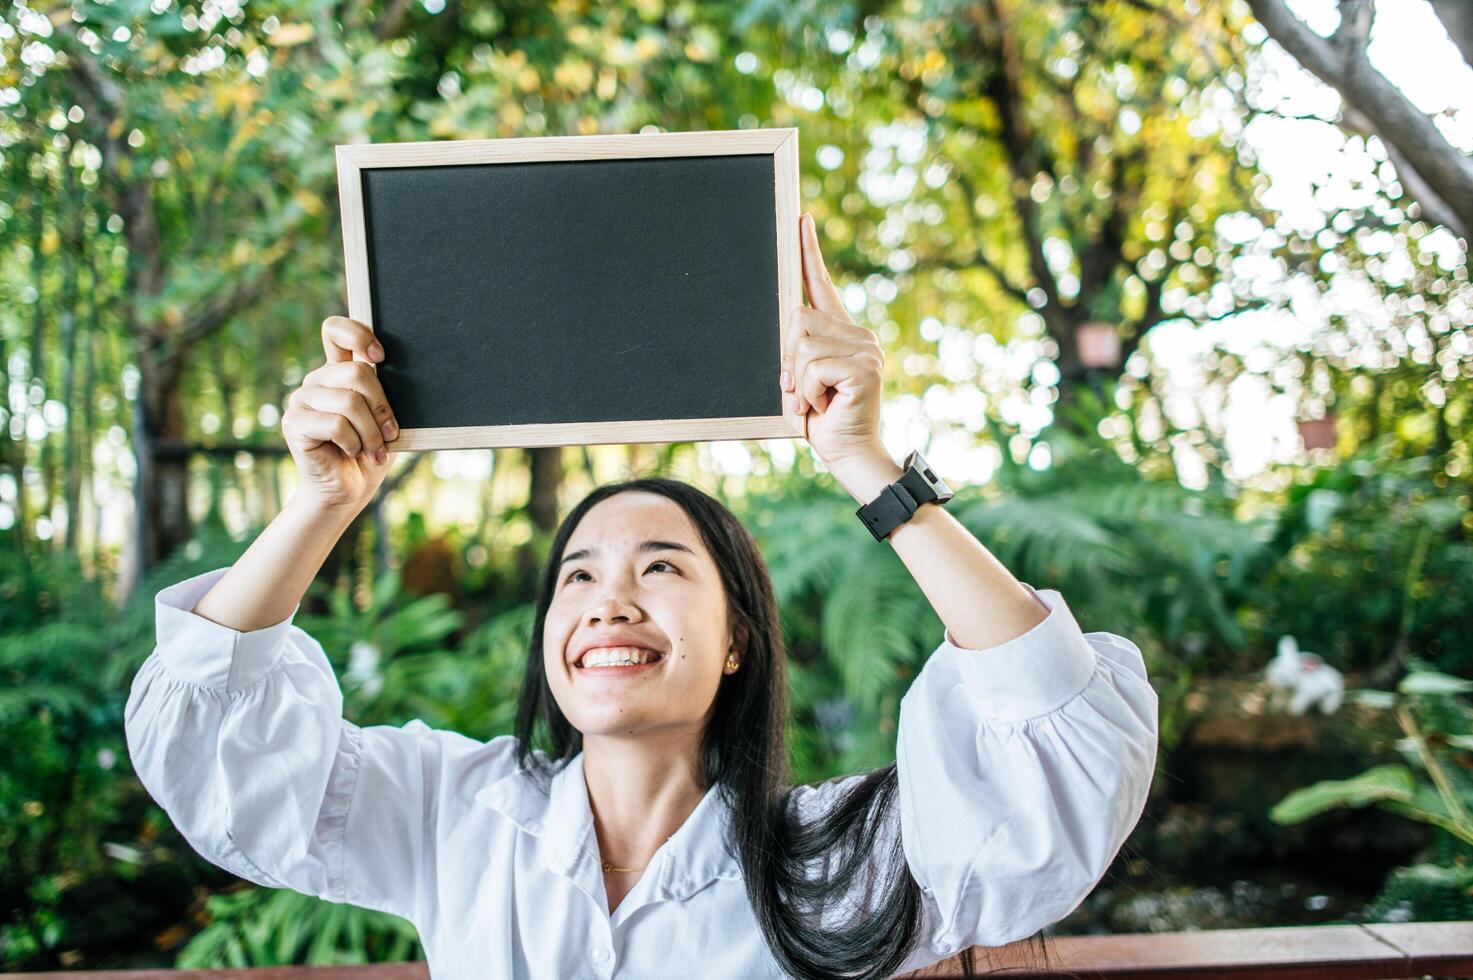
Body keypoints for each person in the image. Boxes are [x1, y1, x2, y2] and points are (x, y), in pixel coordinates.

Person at [125, 212, 1159, 979]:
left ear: (738, 640)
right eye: (578, 576)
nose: (609, 600)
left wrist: (868, 464)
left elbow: (1054, 747)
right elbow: (217, 742)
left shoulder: (839, 860)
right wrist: (319, 501)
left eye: (661, 566)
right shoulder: (451, 813)